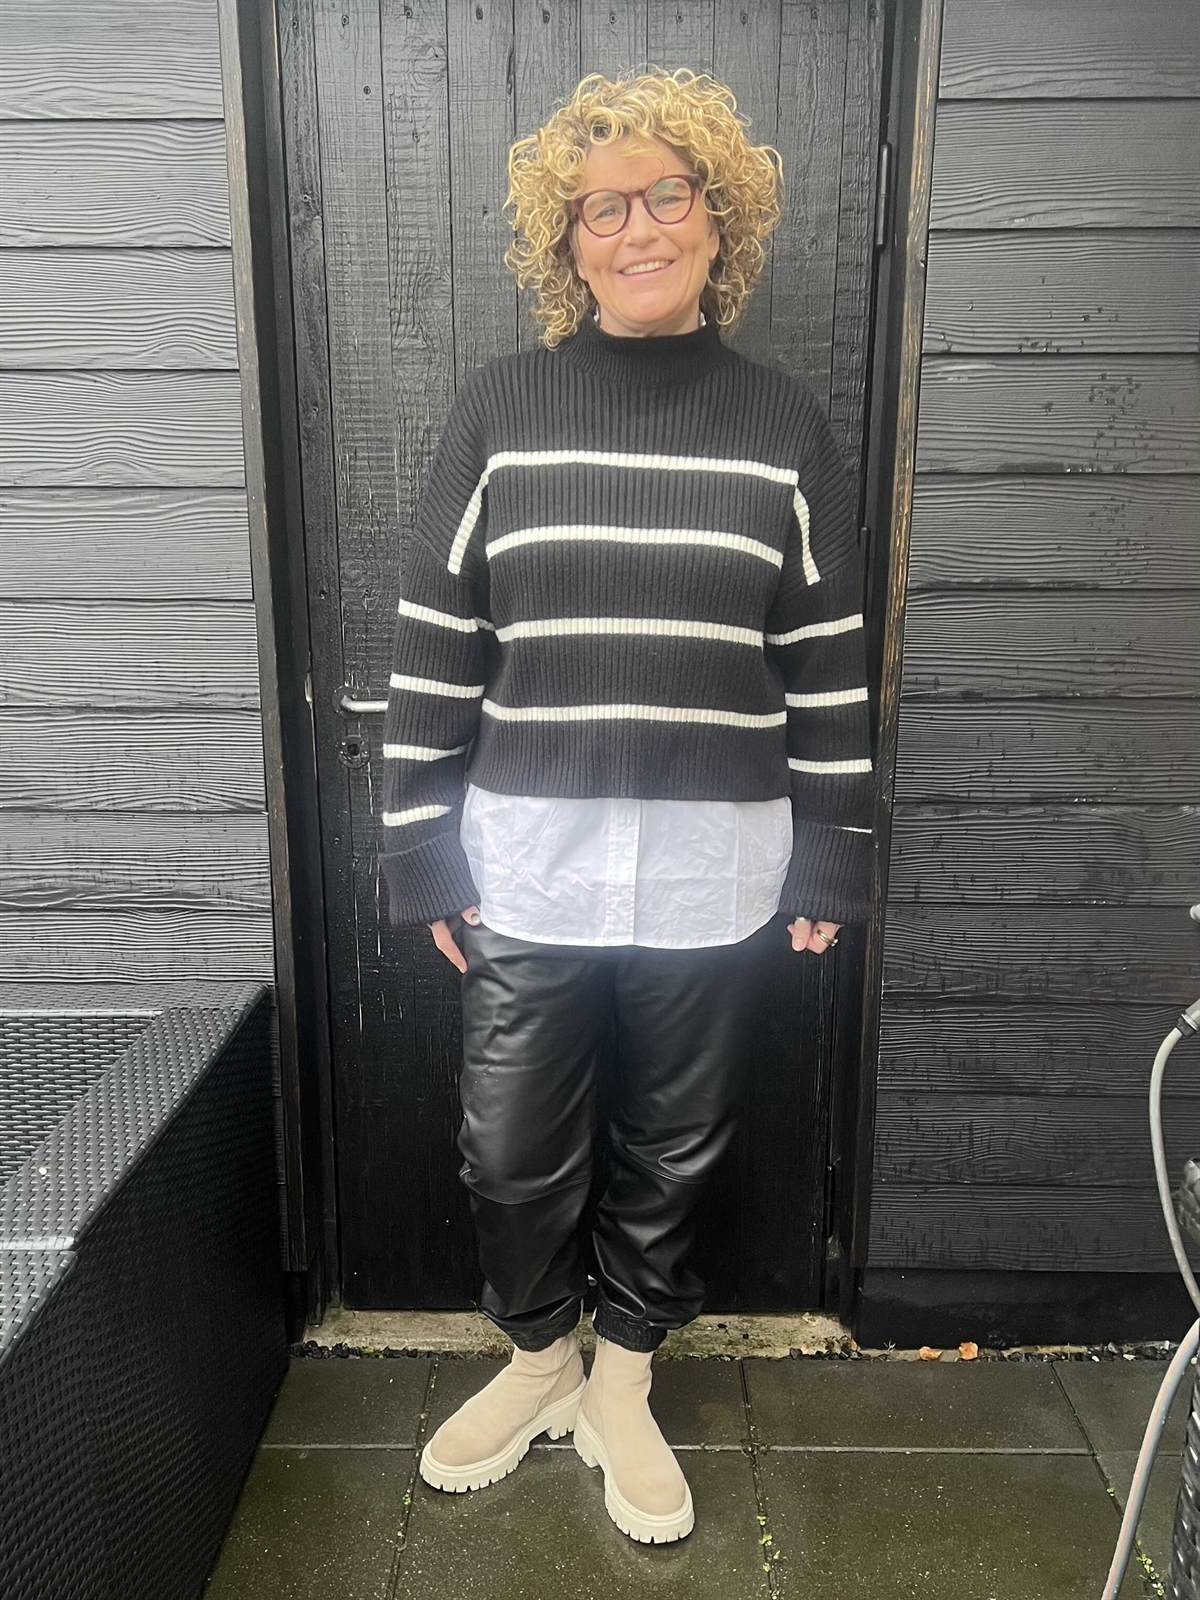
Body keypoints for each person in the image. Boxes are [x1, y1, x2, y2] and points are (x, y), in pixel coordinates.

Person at [377, 65, 877, 1545]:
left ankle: (626, 1382)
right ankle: (541, 1360)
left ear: (720, 222)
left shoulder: (782, 426)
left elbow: (828, 657)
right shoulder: (501, 410)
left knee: (677, 1138)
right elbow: (436, 638)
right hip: (530, 856)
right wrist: (418, 848)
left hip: (720, 861)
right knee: (509, 1146)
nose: (638, 226)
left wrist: (834, 856)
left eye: (669, 195)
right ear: (567, 243)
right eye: (604, 208)